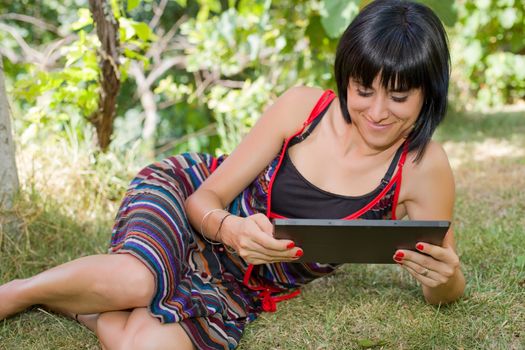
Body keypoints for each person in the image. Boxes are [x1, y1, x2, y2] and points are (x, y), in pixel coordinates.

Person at [0, 0, 466, 349]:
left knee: (140, 345)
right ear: (346, 78)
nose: (377, 112)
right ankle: (18, 294)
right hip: (193, 204)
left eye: (400, 98)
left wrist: (444, 279)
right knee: (137, 282)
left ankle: (89, 306)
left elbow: (442, 285)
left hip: (242, 283)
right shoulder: (304, 109)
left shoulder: (423, 168)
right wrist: (232, 228)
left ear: (429, 94)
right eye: (363, 90)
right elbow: (205, 198)